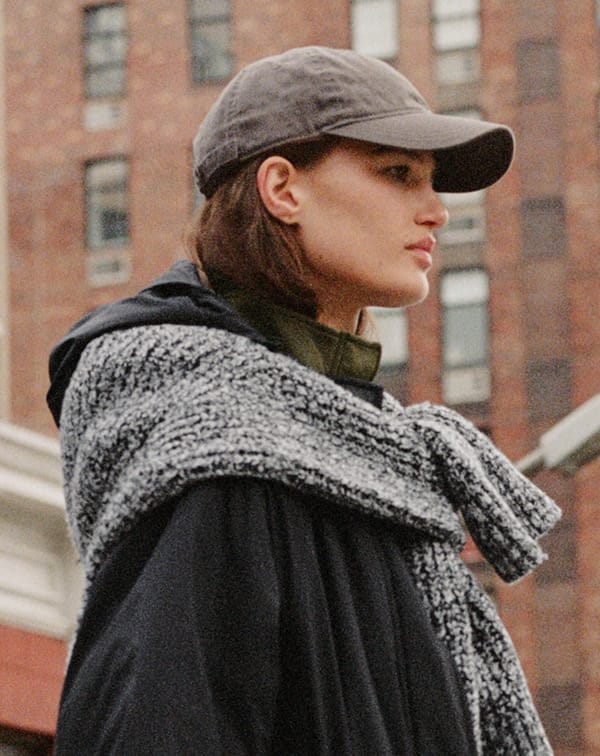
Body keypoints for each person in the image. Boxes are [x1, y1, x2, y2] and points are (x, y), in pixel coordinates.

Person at [48, 47, 560, 755]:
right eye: (397, 174)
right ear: (283, 189)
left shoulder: (375, 461)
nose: (437, 211)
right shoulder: (221, 452)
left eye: (432, 182)